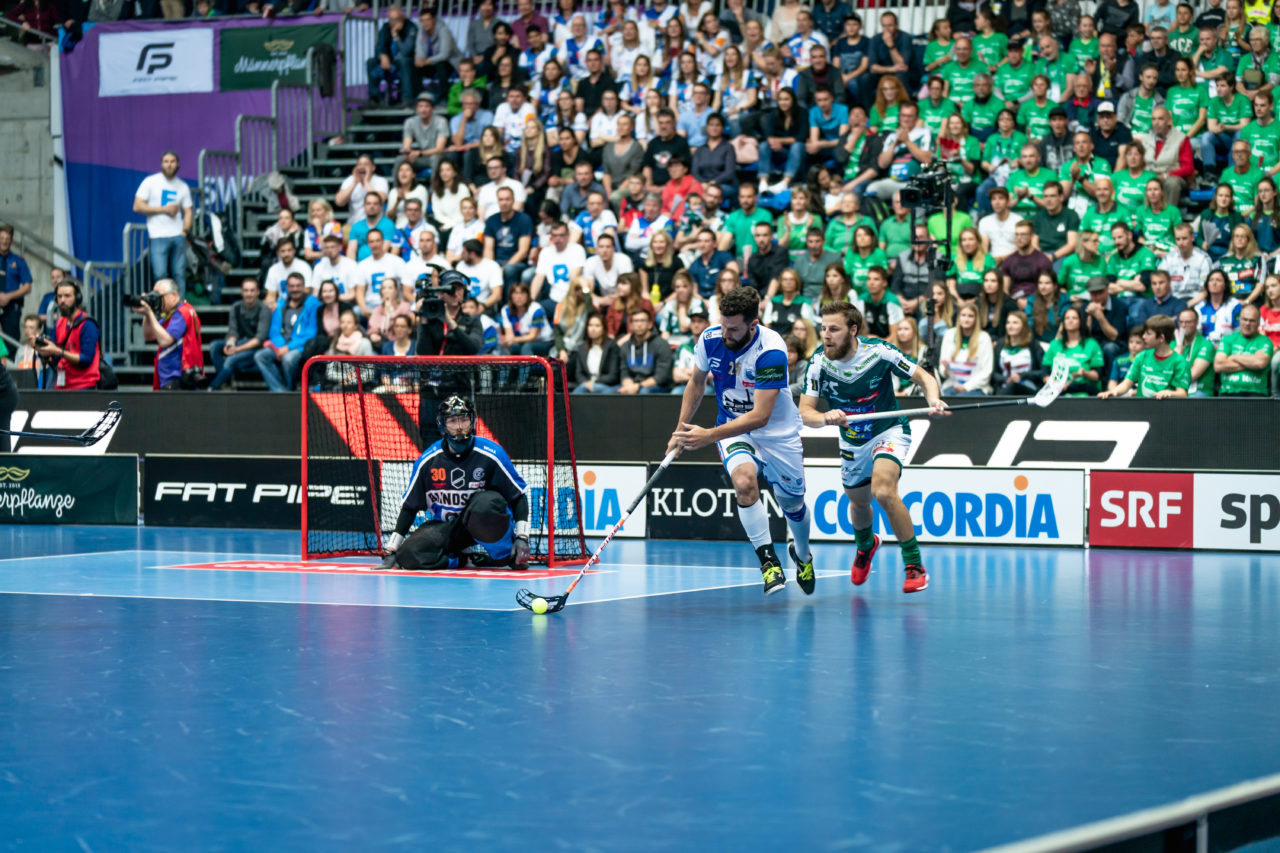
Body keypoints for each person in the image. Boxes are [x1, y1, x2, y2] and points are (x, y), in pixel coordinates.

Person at [668, 285, 817, 596]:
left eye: (733, 327)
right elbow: (696, 384)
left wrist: (707, 435)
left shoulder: (771, 351)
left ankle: (802, 555)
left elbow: (761, 416)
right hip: (735, 428)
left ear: (753, 323)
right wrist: (680, 430)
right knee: (745, 483)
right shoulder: (710, 339)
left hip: (778, 434)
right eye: (723, 323)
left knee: (793, 504)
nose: (725, 332)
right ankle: (768, 563)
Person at [798, 300, 946, 594]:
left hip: (887, 430)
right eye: (823, 328)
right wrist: (825, 418)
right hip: (853, 439)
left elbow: (923, 376)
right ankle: (866, 545)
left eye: (835, 329)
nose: (826, 335)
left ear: (853, 330)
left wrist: (933, 399)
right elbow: (806, 412)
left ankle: (914, 564)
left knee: (883, 490)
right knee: (859, 502)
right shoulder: (818, 363)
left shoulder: (879, 352)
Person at [380, 397, 533, 572]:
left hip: (484, 519)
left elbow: (518, 495)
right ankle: (463, 559)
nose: (459, 426)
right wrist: (391, 549)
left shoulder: (492, 454)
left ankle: (503, 556)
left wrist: (522, 537)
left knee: (486, 503)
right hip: (449, 528)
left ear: (472, 421)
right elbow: (409, 507)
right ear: (442, 425)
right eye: (453, 421)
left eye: (464, 419)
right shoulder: (427, 461)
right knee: (408, 556)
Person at [132, 152, 193, 298]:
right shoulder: (150, 182)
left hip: (178, 235)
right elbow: (137, 206)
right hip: (158, 235)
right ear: (161, 164)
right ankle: (162, 307)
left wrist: (184, 231)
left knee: (179, 274)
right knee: (160, 274)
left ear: (178, 164)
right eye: (166, 161)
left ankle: (180, 309)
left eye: (172, 161)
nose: (169, 164)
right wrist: (163, 209)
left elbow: (188, 211)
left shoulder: (182, 186)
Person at [132, 278, 203, 391]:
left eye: (159, 297)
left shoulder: (183, 312)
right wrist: (146, 313)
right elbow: (149, 335)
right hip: (168, 380)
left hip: (178, 381)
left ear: (174, 295)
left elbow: (165, 341)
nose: (157, 301)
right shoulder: (170, 315)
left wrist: (149, 312)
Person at [1097, 315, 1190, 398]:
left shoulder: (1180, 362)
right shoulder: (1142, 356)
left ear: (1161, 338)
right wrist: (1114, 391)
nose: (1144, 337)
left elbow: (1182, 393)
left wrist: (1169, 393)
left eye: (1148, 333)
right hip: (1142, 410)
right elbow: (1126, 384)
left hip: (1166, 410)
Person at [255, 273, 319, 393]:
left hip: (301, 346)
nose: (295, 289)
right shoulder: (281, 304)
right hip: (281, 345)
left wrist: (288, 348)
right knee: (261, 356)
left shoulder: (313, 304)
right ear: (287, 288)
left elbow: (311, 332)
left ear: (304, 286)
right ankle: (280, 390)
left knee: (288, 359)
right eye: (292, 286)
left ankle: (290, 389)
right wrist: (280, 347)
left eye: (298, 286)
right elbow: (274, 331)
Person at [32, 279, 100, 390]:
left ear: (77, 298)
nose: (62, 300)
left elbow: (86, 359)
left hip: (83, 385)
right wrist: (44, 352)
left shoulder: (87, 324)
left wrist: (57, 351)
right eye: (59, 296)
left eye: (67, 296)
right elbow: (55, 357)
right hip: (62, 384)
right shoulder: (59, 323)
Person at [208, 278, 269, 391]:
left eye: (252, 290)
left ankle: (213, 387)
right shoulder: (235, 307)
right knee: (214, 346)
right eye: (246, 290)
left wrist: (237, 349)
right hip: (239, 343)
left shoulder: (263, 309)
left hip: (254, 348)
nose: (249, 294)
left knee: (231, 359)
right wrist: (230, 344)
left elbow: (259, 338)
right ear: (242, 292)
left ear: (258, 292)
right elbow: (233, 331)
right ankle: (225, 383)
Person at [1214, 303, 1274, 394]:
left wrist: (1234, 357)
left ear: (1258, 323)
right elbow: (1218, 366)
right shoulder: (1227, 340)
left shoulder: (1266, 341)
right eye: (1244, 319)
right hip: (1228, 392)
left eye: (1252, 321)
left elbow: (1260, 363)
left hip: (1256, 394)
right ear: (1240, 320)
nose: (1247, 324)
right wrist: (1251, 361)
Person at [1045, 305, 1106, 394]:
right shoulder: (1054, 344)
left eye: (1074, 318)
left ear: (1081, 322)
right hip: (1056, 392)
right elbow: (1044, 372)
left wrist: (1085, 373)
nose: (1070, 320)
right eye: (1067, 318)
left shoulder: (1092, 344)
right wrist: (1054, 383)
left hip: (1084, 391)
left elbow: (1097, 375)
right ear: (1063, 322)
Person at [368, 5, 417, 106]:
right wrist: (382, 56)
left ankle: (407, 99)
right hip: (391, 61)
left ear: (402, 18)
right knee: (371, 62)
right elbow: (379, 46)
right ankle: (375, 98)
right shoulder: (386, 27)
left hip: (408, 62)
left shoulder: (411, 27)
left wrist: (395, 35)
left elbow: (406, 51)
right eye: (391, 20)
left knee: (404, 61)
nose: (393, 23)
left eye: (396, 19)